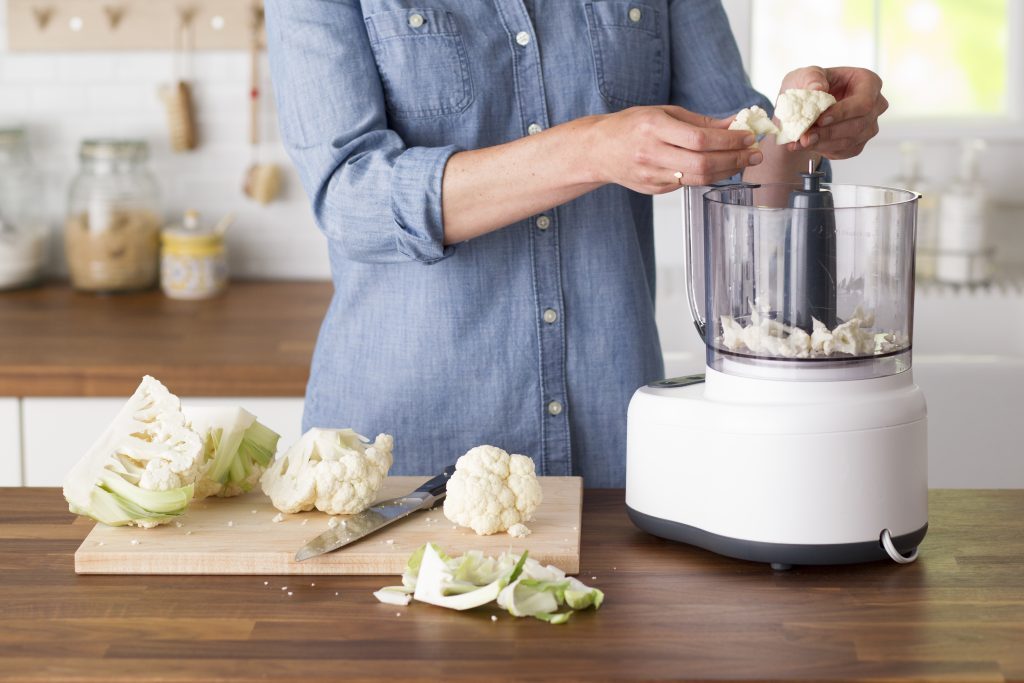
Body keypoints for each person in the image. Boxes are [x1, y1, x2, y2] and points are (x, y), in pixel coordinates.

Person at [263, 0, 887, 487]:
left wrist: (807, 122)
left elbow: (750, 171)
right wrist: (590, 149)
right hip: (397, 460)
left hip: (614, 454)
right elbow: (352, 200)